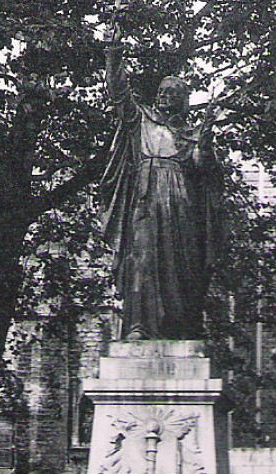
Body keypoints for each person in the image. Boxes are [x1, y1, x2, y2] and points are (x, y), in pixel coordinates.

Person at [96, 32, 223, 341]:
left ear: (184, 100)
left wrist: (205, 144)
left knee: (180, 264)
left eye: (173, 92)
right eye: (162, 90)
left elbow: (204, 169)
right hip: (145, 196)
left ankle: (178, 326)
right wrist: (113, 52)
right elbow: (118, 92)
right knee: (142, 257)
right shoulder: (141, 120)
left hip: (180, 202)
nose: (165, 95)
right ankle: (138, 325)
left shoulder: (191, 135)